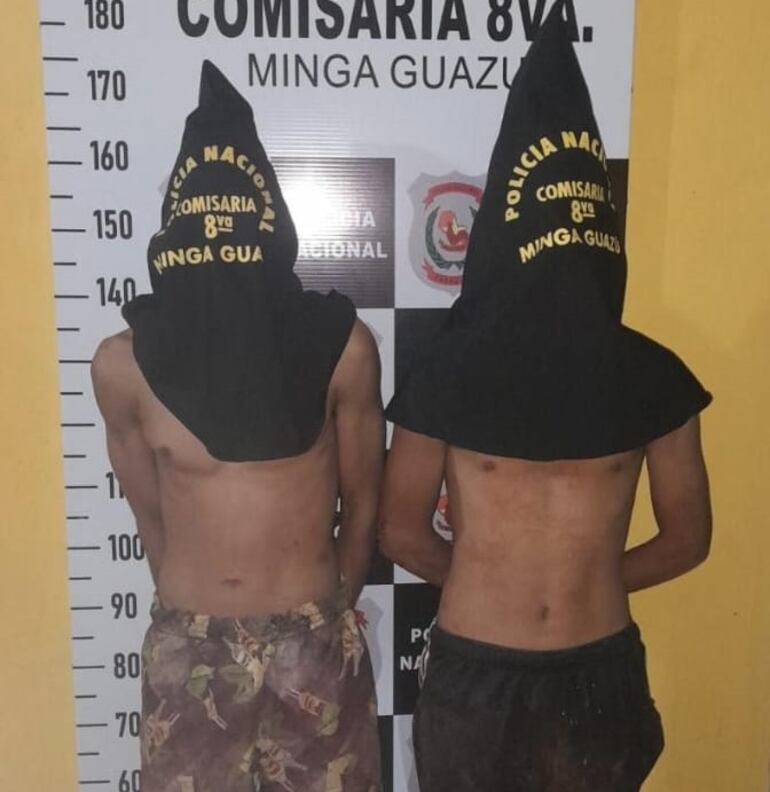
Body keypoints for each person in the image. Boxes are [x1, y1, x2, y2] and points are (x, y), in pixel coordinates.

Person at [378, 5, 712, 791]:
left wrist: (585, 580)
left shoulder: (655, 376)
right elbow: (397, 527)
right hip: (474, 669)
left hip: (598, 671)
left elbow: (688, 537)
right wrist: (485, 583)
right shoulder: (448, 370)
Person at [92, 61, 383, 792]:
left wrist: (331, 608)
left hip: (313, 636)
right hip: (191, 646)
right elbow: (148, 514)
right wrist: (194, 615)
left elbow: (365, 500)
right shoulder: (124, 366)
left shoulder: (341, 347)